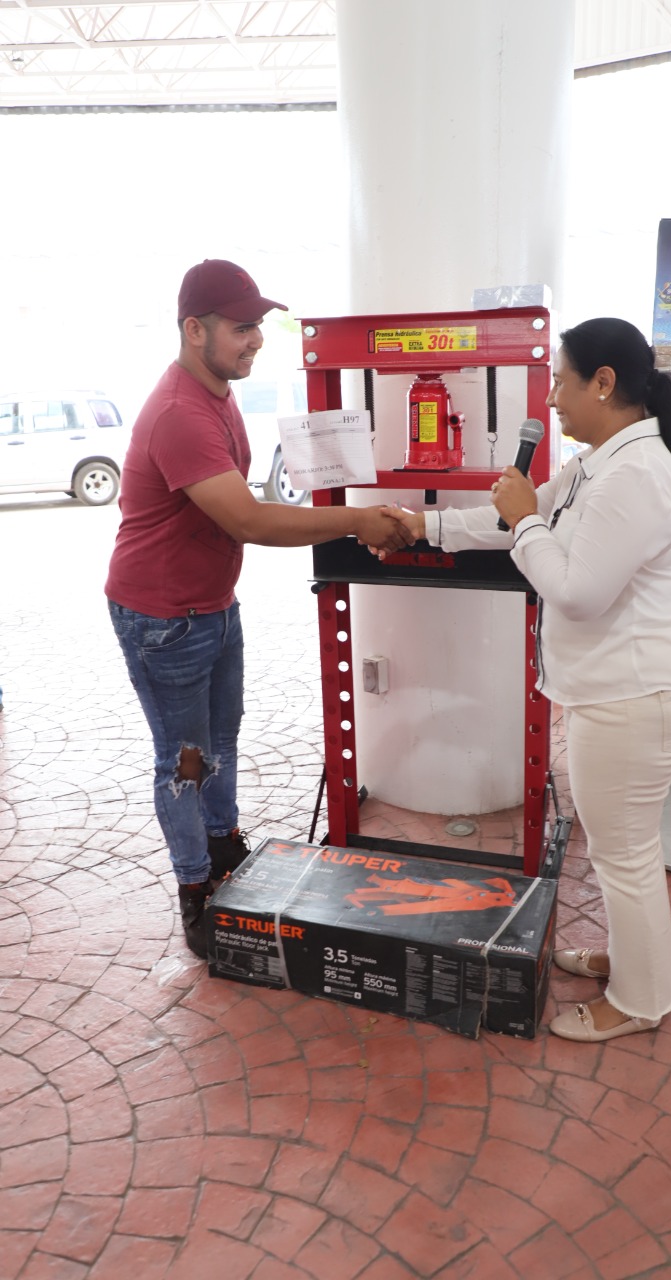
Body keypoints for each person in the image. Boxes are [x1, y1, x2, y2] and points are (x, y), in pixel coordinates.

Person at [394, 317, 671, 1042]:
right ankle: (640, 957)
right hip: (627, 691)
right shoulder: (599, 463)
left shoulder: (634, 475)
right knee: (629, 846)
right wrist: (425, 527)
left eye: (562, 383)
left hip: (635, 696)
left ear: (604, 383)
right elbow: (517, 518)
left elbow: (575, 591)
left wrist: (524, 523)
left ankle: (640, 1000)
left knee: (621, 853)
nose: (552, 399)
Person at [105, 259, 414, 958]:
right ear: (194, 329)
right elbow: (248, 520)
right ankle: (196, 888)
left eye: (258, 327)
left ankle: (223, 848)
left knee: (219, 744)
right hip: (163, 620)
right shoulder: (180, 411)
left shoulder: (215, 393)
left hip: (212, 606)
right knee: (184, 761)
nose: (256, 340)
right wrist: (355, 521)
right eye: (242, 328)